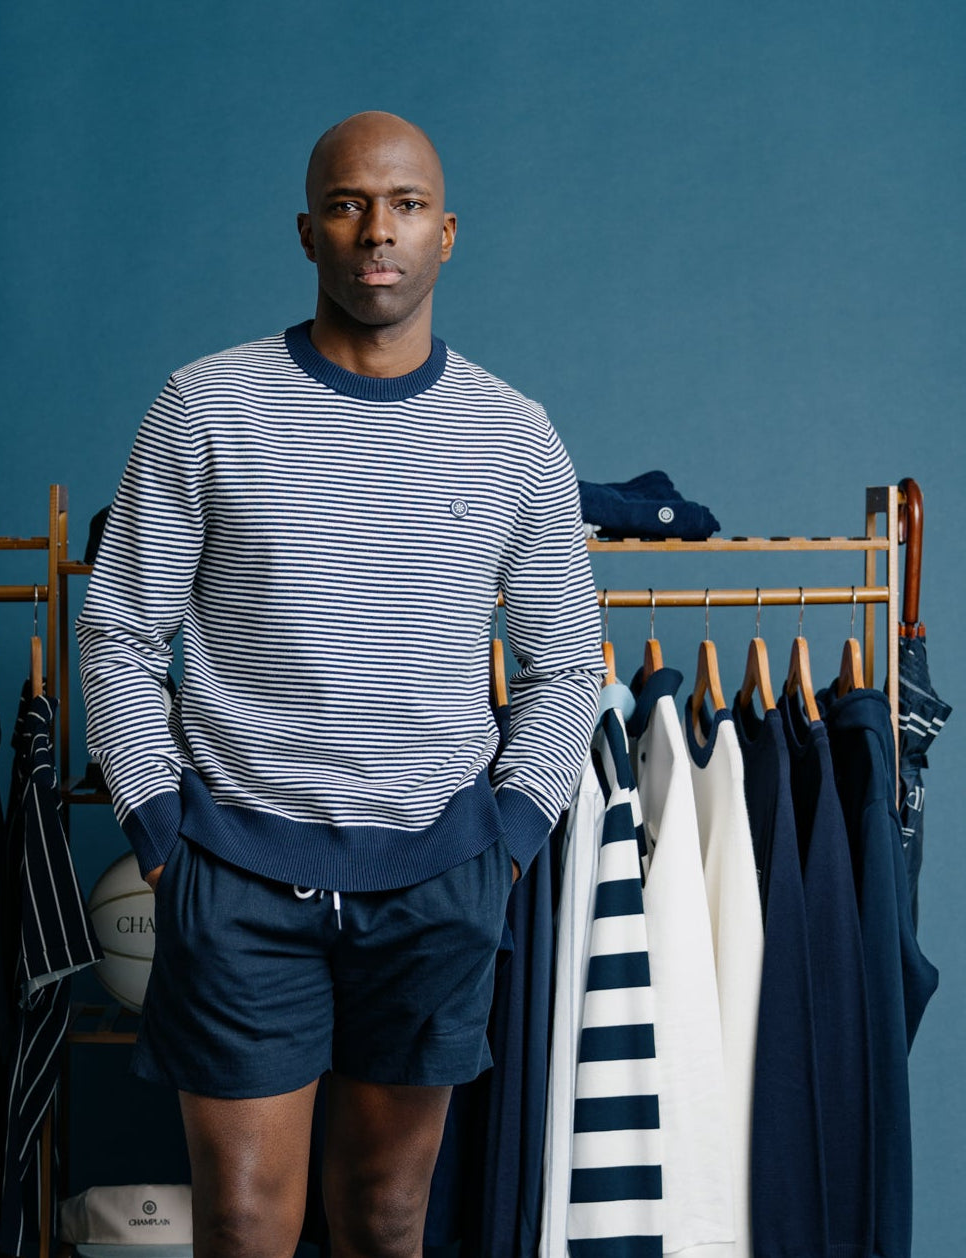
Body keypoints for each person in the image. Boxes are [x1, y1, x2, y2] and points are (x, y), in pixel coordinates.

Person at [77, 110, 603, 1258]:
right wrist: (163, 831)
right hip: (240, 871)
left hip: (435, 876)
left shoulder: (515, 435)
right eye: (350, 203)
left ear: (447, 234)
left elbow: (567, 665)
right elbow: (118, 633)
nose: (379, 231)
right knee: (248, 1223)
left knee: (385, 1216)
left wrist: (504, 836)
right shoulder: (204, 406)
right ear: (305, 229)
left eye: (406, 205)